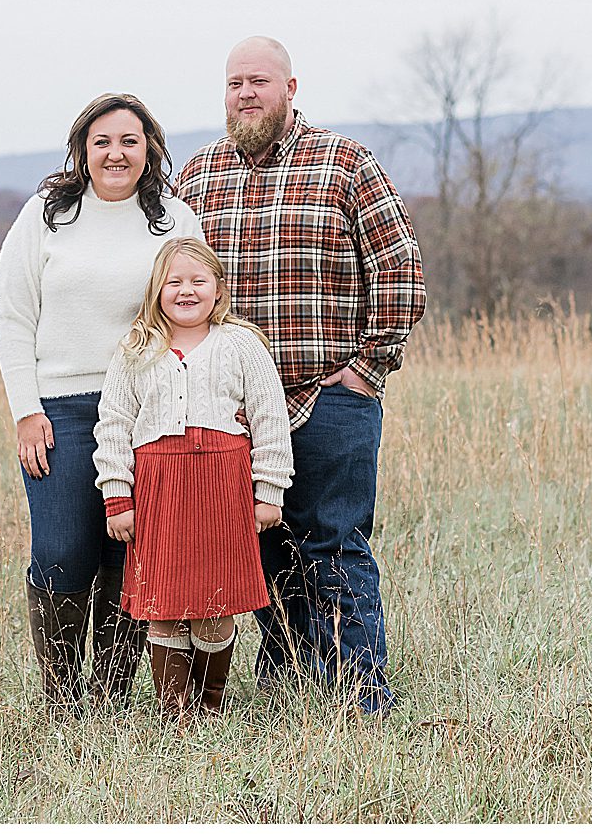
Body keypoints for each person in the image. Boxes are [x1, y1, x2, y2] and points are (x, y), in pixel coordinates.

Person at [176, 36, 426, 716]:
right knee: (263, 549)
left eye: (259, 80)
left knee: (334, 542)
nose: (245, 93)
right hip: (233, 411)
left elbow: (400, 271)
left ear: (291, 87)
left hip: (330, 396)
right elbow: (171, 285)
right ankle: (290, 675)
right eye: (234, 83)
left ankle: (362, 694)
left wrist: (367, 369)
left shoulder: (346, 163)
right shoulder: (195, 178)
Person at [0, 93, 204, 712]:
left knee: (130, 551)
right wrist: (25, 410)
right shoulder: (45, 217)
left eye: (129, 141)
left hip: (150, 409)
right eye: (102, 142)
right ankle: (64, 701)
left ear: (150, 149)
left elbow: (198, 310)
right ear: (83, 151)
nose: (116, 153)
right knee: (62, 553)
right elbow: (13, 318)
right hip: (60, 408)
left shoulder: (174, 220)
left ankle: (112, 698)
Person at [92, 238, 293, 719]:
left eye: (198, 281)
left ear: (218, 290)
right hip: (159, 489)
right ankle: (175, 713)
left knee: (215, 601)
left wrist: (268, 491)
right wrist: (117, 496)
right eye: (174, 282)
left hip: (222, 487)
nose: (186, 291)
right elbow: (114, 422)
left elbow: (270, 418)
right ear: (156, 291)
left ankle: (210, 705)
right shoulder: (137, 348)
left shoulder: (242, 344)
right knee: (164, 600)